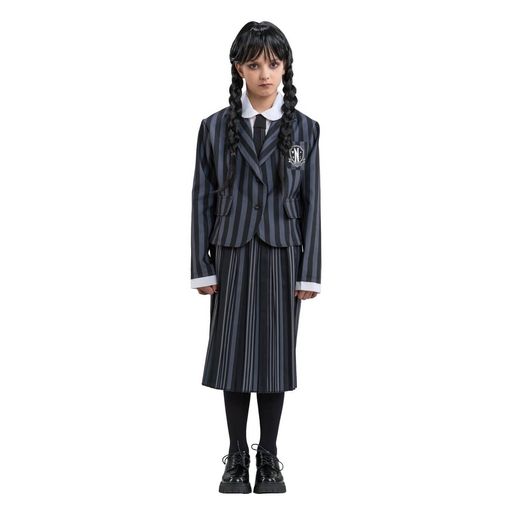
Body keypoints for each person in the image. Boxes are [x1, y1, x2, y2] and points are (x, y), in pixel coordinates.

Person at [190, 20, 321, 494]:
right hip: (231, 254)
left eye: (274, 63)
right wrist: (201, 265)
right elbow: (201, 199)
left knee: (274, 357)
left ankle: (269, 456)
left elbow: (312, 202)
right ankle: (236, 455)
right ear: (238, 68)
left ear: (285, 67)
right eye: (254, 64)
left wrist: (310, 272)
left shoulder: (304, 129)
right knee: (231, 354)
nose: (265, 73)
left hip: (283, 255)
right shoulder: (214, 128)